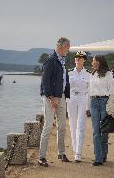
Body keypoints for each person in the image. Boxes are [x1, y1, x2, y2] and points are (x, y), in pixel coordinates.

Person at [38, 37, 71, 167]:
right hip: (50, 98)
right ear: (62, 47)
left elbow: (63, 79)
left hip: (61, 97)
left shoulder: (62, 61)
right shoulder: (51, 60)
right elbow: (45, 81)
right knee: (47, 127)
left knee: (62, 126)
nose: (68, 50)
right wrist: (51, 97)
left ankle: (61, 153)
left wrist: (63, 95)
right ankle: (41, 157)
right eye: (68, 47)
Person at [89, 55, 114, 166]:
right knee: (96, 131)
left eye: (93, 61)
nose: (92, 63)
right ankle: (98, 158)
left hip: (104, 102)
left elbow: (113, 91)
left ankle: (103, 154)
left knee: (104, 130)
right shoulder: (92, 74)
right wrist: (88, 107)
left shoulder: (108, 74)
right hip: (93, 102)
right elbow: (89, 90)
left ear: (99, 62)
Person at [66, 51, 91, 163]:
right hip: (71, 99)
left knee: (80, 125)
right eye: (76, 57)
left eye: (80, 57)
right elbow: (65, 87)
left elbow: (90, 91)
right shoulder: (69, 72)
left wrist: (88, 106)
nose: (78, 59)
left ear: (84, 60)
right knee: (72, 124)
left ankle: (78, 153)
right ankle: (75, 148)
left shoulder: (88, 74)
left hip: (83, 99)